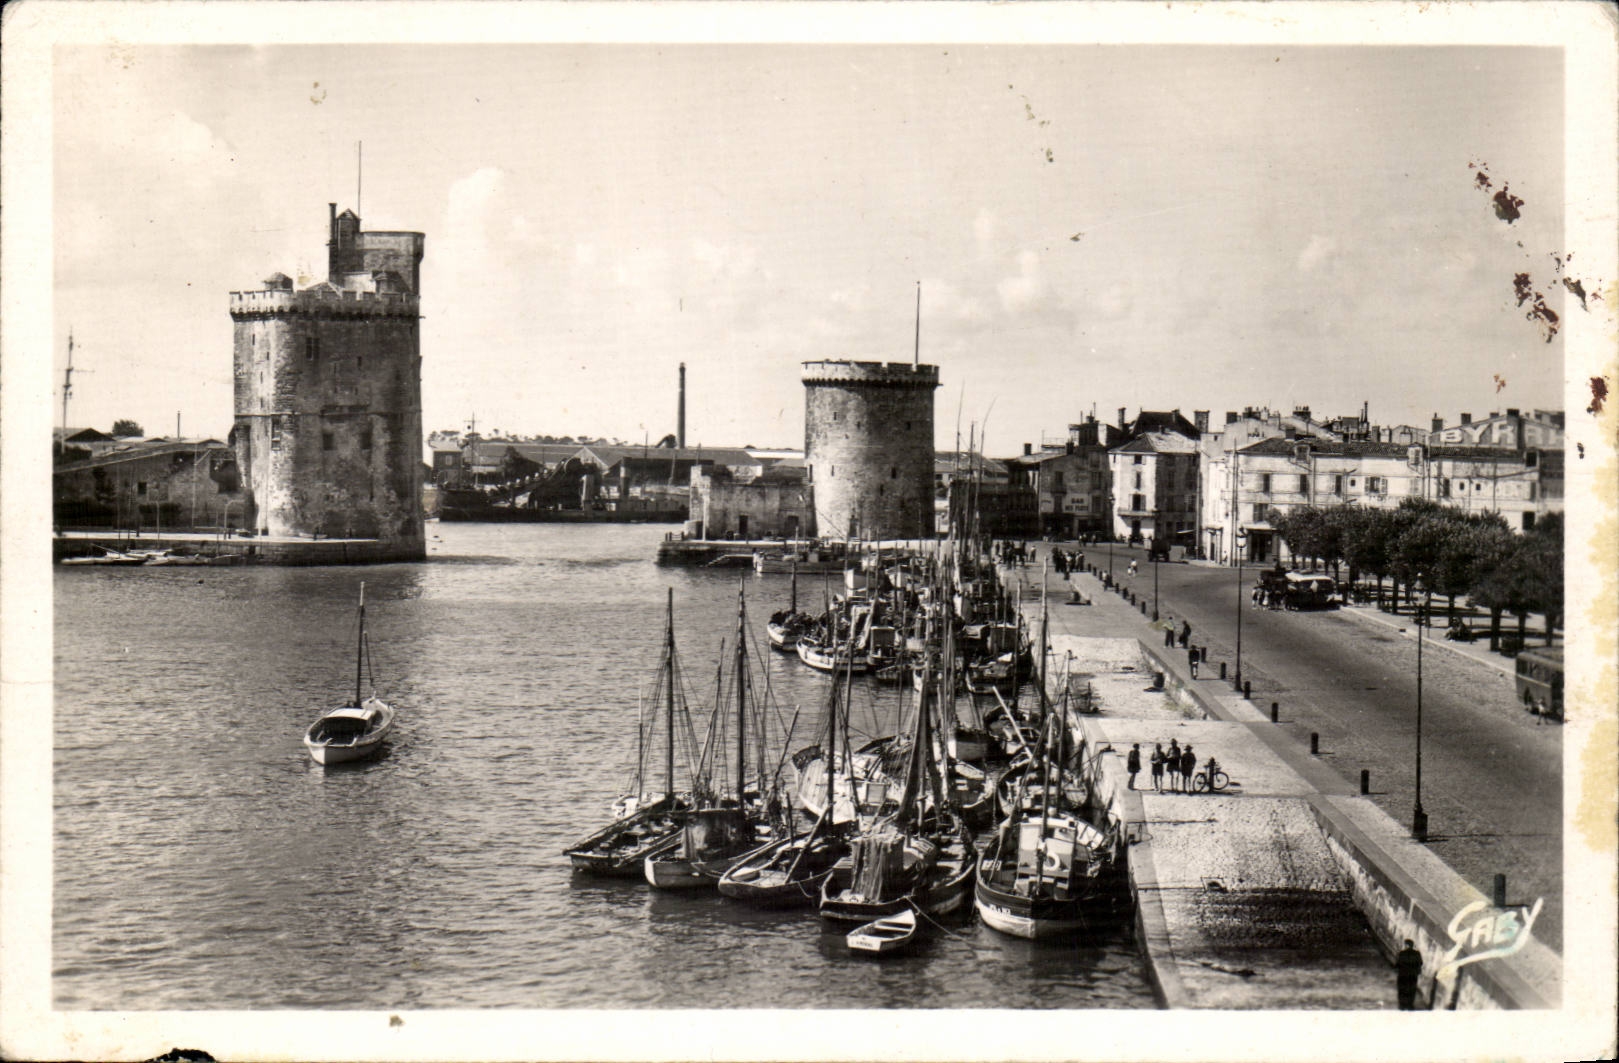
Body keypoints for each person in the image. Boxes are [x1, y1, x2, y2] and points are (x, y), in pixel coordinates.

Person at [1396, 939, 1423, 1010]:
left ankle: (1402, 1005)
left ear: (1406, 945)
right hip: (1413, 975)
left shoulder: (1402, 953)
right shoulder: (1417, 953)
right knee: (1411, 990)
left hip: (1403, 975)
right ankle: (1410, 1004)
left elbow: (1398, 964)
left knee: (1402, 989)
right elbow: (1420, 963)